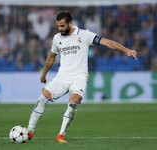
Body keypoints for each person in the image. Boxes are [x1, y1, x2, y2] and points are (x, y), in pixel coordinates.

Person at [26, 11, 137, 143]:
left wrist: (126, 50)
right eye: (58, 26)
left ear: (70, 23)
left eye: (62, 26)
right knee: (43, 97)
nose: (60, 29)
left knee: (73, 102)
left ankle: (60, 135)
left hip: (79, 77)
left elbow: (106, 42)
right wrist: (44, 74)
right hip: (62, 77)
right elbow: (51, 56)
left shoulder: (85, 35)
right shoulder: (57, 38)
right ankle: (29, 131)